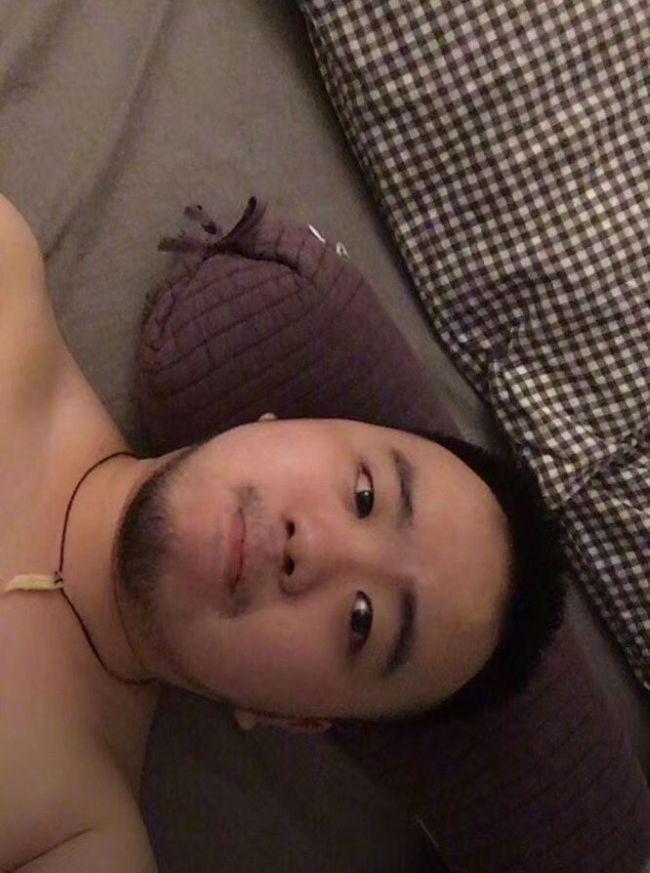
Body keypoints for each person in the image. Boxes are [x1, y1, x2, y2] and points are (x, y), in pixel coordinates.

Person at [0, 193, 564, 871]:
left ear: (288, 717)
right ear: (285, 424)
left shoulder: (77, 844)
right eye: (365, 495)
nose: (315, 549)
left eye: (362, 620)